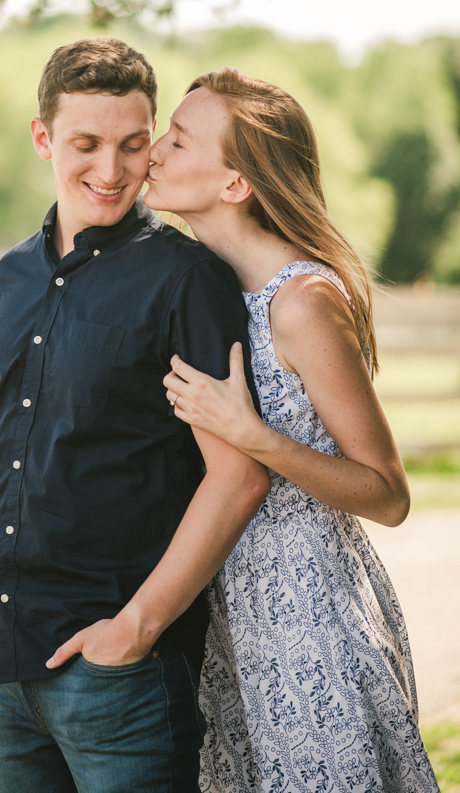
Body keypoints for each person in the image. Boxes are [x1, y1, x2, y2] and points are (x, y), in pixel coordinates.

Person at [0, 38, 271, 793]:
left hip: (119, 679)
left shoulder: (187, 281)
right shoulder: (15, 272)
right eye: (85, 144)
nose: (111, 170)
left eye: (132, 144)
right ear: (42, 138)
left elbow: (239, 477)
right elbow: (21, 443)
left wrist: (139, 629)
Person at [145, 67, 439, 793]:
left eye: (179, 140)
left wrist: (256, 436)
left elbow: (387, 493)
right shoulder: (199, 289)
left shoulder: (302, 303)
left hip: (310, 622)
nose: (153, 150)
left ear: (236, 183)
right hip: (225, 624)